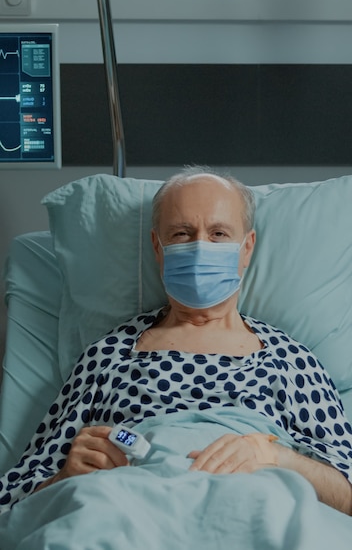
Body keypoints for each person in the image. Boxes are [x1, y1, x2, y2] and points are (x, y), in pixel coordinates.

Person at [1, 166, 352, 515]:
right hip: (123, 514)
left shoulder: (290, 360)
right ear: (158, 246)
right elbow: (15, 495)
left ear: (247, 249)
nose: (201, 248)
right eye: (183, 234)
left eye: (218, 234)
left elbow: (347, 494)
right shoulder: (109, 354)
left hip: (251, 512)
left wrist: (276, 457)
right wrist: (65, 475)